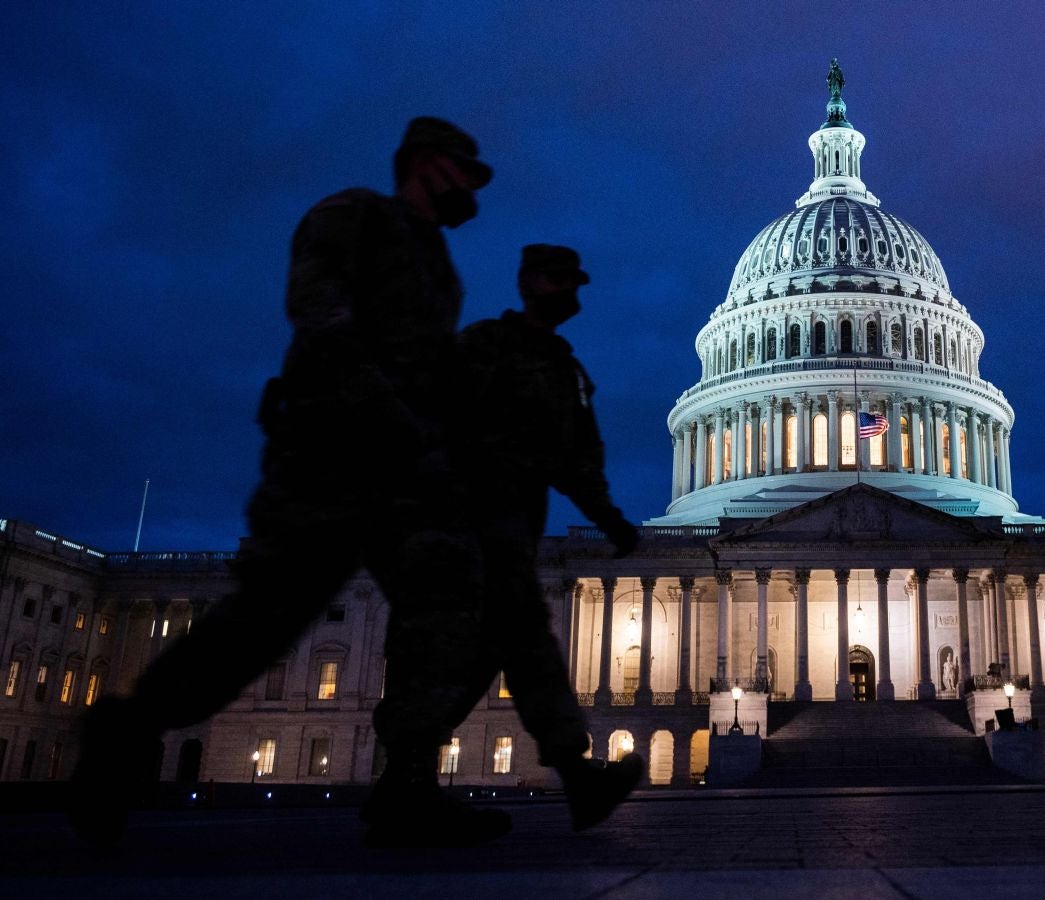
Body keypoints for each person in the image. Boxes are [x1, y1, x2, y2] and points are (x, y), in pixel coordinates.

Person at [69, 116, 504, 849]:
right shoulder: (353, 215)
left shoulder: (437, 263)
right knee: (268, 615)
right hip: (329, 446)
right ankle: (127, 728)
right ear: (427, 164)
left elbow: (432, 373)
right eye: (466, 172)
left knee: (465, 607)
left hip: (404, 470)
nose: (473, 189)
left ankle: (407, 784)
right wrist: (379, 402)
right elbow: (318, 312)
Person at [452, 244, 643, 830]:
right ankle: (406, 782)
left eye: (575, 283)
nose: (573, 294)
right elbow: (430, 422)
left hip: (512, 530)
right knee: (468, 649)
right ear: (530, 282)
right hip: (458, 526)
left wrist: (610, 520)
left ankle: (578, 779)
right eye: (561, 281)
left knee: (514, 647)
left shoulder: (563, 366)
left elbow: (577, 459)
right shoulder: (482, 345)